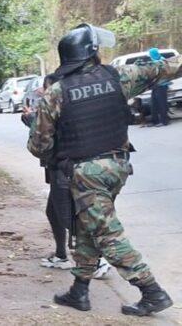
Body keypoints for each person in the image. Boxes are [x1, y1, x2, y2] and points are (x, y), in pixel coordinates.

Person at [27, 23, 177, 317]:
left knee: (107, 233)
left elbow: (38, 146)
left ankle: (151, 291)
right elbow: (164, 69)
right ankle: (79, 290)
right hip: (118, 165)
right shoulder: (118, 76)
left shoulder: (56, 93)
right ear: (92, 52)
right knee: (88, 227)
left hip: (85, 172)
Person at [32, 75, 112, 278]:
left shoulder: (62, 106)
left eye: (46, 88)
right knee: (54, 212)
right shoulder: (57, 105)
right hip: (59, 168)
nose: (44, 92)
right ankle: (61, 255)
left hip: (65, 169)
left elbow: (43, 141)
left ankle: (99, 260)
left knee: (73, 219)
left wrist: (33, 124)